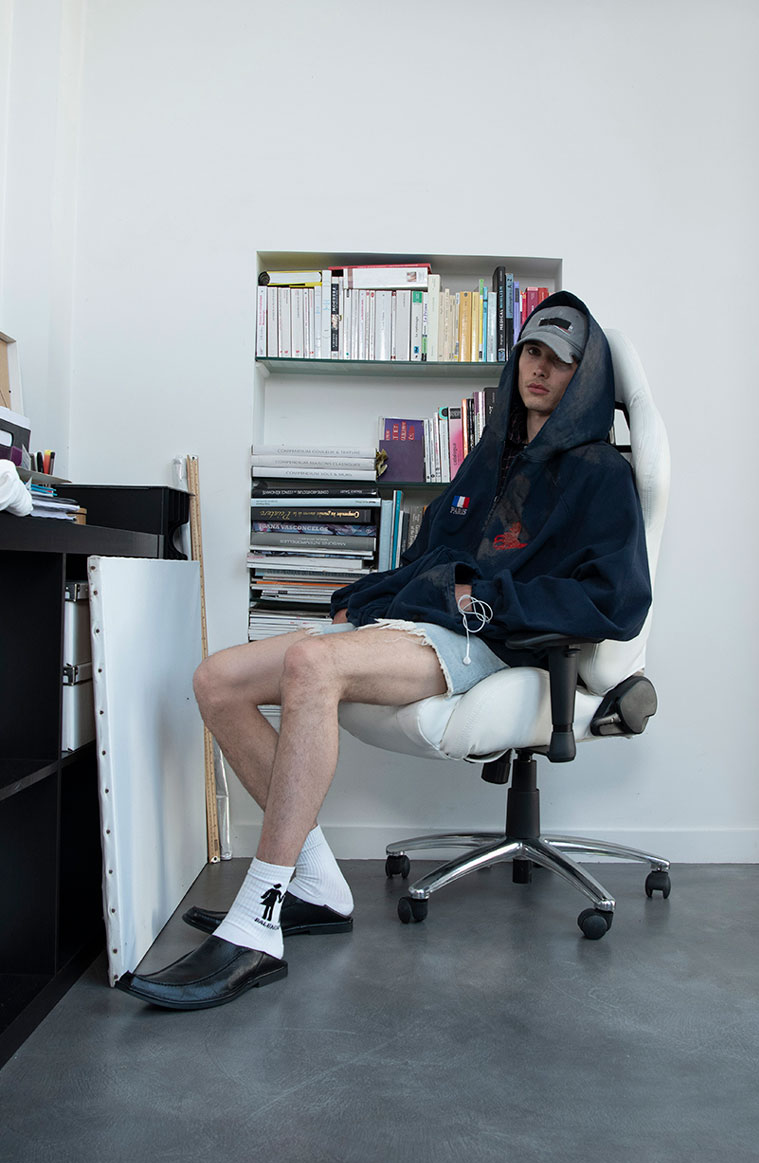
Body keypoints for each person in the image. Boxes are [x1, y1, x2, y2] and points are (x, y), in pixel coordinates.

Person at [117, 291, 652, 1011]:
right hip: (427, 626)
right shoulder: (486, 462)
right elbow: (428, 561)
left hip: (495, 643)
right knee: (218, 680)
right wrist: (367, 597)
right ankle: (315, 885)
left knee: (311, 665)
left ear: (583, 378)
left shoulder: (599, 472)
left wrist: (488, 601)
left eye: (560, 361)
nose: (540, 368)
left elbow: (616, 600)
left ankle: (257, 921)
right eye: (532, 351)